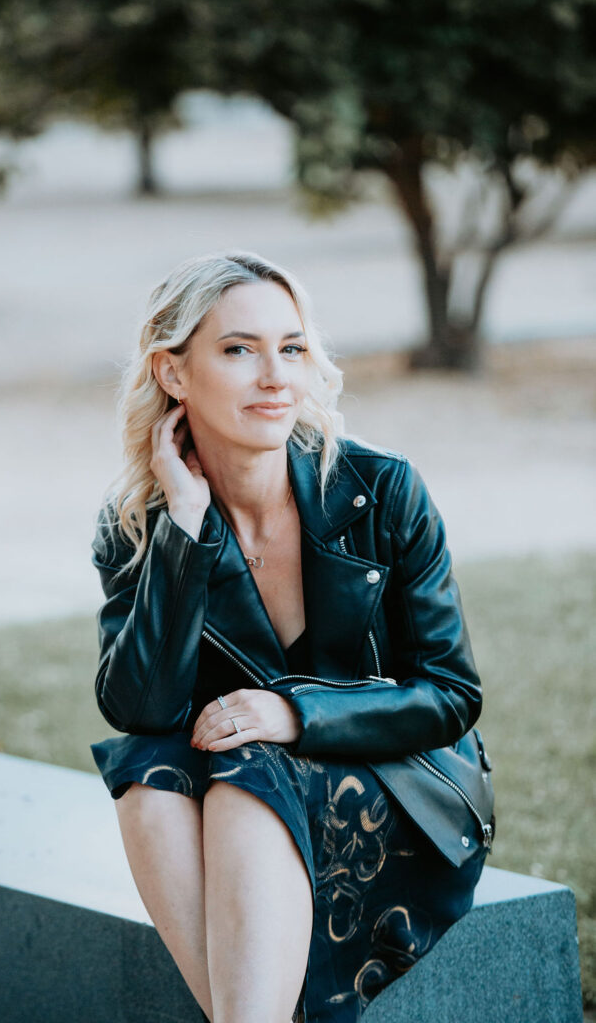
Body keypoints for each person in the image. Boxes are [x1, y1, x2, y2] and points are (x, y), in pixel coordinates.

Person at [89, 250, 493, 1023]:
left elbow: (450, 694)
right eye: (239, 350)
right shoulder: (138, 527)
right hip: (246, 792)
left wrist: (294, 713)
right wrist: (184, 530)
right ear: (173, 374)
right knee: (146, 780)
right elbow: (141, 709)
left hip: (401, 787)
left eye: (292, 348)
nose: (275, 376)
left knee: (249, 770)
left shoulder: (382, 490)